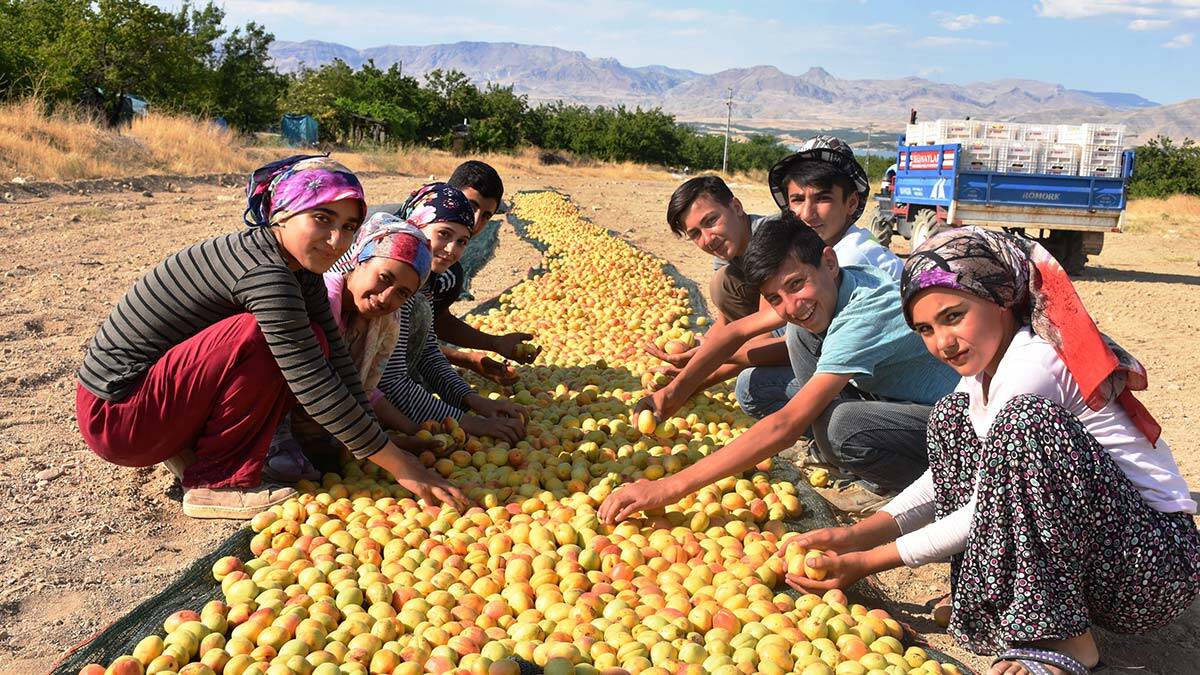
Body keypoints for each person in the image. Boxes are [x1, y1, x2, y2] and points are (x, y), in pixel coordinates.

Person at [782, 227, 1199, 675]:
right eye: (925, 329)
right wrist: (855, 536)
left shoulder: (1032, 366)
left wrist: (865, 561)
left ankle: (1070, 644)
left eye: (954, 316)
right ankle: (997, 603)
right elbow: (944, 482)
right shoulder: (986, 368)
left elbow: (983, 509)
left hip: (1151, 570)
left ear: (1000, 298)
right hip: (1102, 553)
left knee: (1024, 426)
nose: (942, 342)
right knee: (950, 418)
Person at [75, 155, 467, 518]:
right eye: (322, 218)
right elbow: (312, 379)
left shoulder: (300, 271)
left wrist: (382, 444)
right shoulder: (267, 272)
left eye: (348, 227)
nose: (337, 240)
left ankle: (194, 453)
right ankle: (216, 481)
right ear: (282, 213)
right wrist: (401, 467)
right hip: (117, 418)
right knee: (264, 337)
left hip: (152, 404)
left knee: (315, 336)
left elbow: (338, 368)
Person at [599, 216, 957, 524]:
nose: (790, 304)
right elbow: (737, 330)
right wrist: (673, 393)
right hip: (894, 397)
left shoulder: (866, 313)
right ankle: (843, 453)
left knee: (841, 427)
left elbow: (785, 427)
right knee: (793, 340)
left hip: (955, 427)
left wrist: (667, 488)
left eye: (796, 284)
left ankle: (935, 494)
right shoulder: (831, 286)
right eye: (775, 297)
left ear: (828, 263)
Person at [646, 137, 902, 421]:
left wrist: (697, 366)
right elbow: (739, 328)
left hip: (884, 386)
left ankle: (836, 434)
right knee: (735, 299)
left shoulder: (850, 258)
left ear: (851, 202)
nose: (806, 213)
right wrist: (687, 379)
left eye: (823, 198)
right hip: (847, 357)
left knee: (764, 381)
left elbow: (773, 341)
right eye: (797, 200)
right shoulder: (811, 249)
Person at [368, 183, 526, 441]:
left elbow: (428, 352)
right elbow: (391, 381)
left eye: (462, 241)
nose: (452, 249)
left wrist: (473, 400)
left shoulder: (424, 280)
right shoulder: (392, 278)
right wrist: (472, 423)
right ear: (416, 224)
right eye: (443, 234)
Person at [371, 161, 535, 385]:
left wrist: (492, 345)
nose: (475, 221)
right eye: (470, 205)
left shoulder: (443, 264)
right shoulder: (389, 250)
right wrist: (466, 360)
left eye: (486, 215)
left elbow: (432, 327)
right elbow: (389, 336)